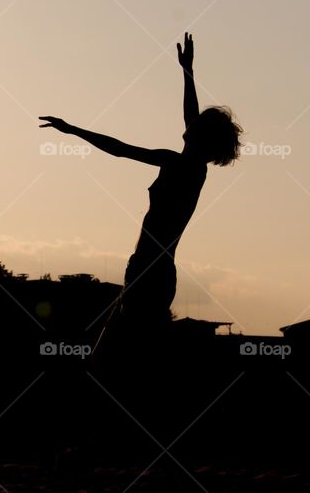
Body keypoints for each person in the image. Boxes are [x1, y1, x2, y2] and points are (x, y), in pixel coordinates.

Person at [39, 33, 243, 362]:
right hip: (149, 270)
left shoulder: (181, 164)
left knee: (116, 359)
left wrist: (73, 130)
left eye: (196, 125)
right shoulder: (189, 164)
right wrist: (187, 72)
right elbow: (191, 117)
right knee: (125, 358)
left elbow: (121, 150)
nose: (188, 123)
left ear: (200, 137)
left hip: (151, 273)